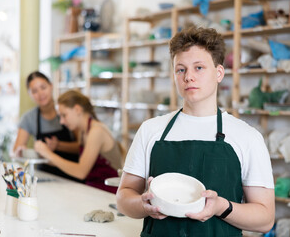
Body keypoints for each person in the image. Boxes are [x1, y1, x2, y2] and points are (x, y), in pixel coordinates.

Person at [116, 26, 275, 236]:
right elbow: (123, 197)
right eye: (180, 69)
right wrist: (143, 205)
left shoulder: (247, 137)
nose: (188, 77)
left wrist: (222, 207)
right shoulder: (151, 130)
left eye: (199, 67)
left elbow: (265, 219)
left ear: (219, 73)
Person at [34, 90, 123, 193]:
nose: (61, 121)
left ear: (77, 109)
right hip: (94, 191)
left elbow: (81, 172)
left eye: (64, 115)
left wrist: (48, 154)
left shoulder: (96, 132)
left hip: (108, 193)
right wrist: (48, 156)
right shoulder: (83, 131)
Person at [13, 71, 80, 181]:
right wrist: (20, 151)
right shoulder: (29, 118)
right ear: (29, 94)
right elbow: (16, 149)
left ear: (51, 86)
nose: (40, 94)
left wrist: (58, 145)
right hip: (44, 178)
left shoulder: (68, 111)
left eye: (43, 87)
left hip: (72, 177)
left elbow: (82, 147)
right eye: (34, 91)